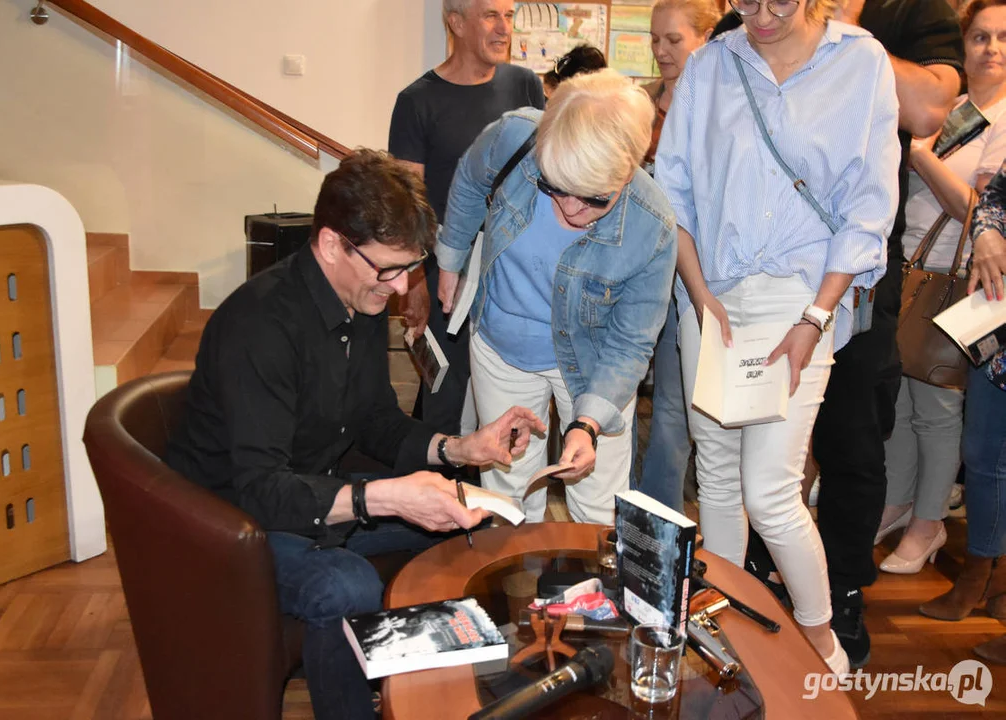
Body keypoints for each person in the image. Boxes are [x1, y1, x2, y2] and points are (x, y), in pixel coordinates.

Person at [164, 150, 546, 720]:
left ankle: (426, 693)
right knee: (346, 586)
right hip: (231, 523)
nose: (398, 289)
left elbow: (374, 420)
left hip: (315, 489)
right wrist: (387, 496)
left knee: (470, 519)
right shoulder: (260, 328)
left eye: (410, 268)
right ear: (331, 245)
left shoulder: (357, 300)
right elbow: (261, 490)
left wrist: (459, 450)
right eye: (388, 269)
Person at [715, 0, 964, 669]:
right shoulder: (745, 26)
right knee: (750, 447)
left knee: (851, 444)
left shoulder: (908, 15)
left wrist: (831, 43)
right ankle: (763, 581)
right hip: (751, 282)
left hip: (851, 279)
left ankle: (840, 597)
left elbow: (929, 111)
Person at [655, 0, 901, 675]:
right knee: (719, 482)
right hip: (709, 300)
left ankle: (821, 640)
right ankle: (729, 635)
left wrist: (815, 318)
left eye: (780, 0)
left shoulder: (859, 61)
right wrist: (699, 297)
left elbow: (869, 204)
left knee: (769, 488)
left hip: (800, 302)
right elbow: (669, 189)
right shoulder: (710, 65)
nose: (759, 14)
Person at [437, 69, 677, 524]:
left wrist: (587, 425)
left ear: (629, 170)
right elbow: (470, 180)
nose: (569, 210)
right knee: (508, 489)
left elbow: (631, 343)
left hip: (593, 363)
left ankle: (589, 597)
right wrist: (451, 256)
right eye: (554, 188)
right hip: (501, 347)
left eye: (593, 200)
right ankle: (511, 592)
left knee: (596, 501)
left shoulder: (652, 225)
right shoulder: (514, 138)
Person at [879, 0, 1006, 575]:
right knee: (902, 402)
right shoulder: (950, 105)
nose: (991, 49)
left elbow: (980, 211)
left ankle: (931, 522)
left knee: (935, 403)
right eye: (979, 36)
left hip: (960, 282)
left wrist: (920, 158)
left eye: (1003, 38)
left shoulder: (1004, 118)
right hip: (910, 265)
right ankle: (899, 503)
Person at [389, 0, 545, 439]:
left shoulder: (525, 85)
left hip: (516, 273)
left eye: (509, 16)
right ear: (455, 22)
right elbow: (408, 204)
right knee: (444, 395)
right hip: (447, 277)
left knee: (510, 398)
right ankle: (435, 494)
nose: (504, 29)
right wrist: (415, 282)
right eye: (491, 16)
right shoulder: (416, 101)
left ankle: (496, 498)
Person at [919, 160, 1006, 664]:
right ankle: (982, 570)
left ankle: (988, 577)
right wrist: (989, 236)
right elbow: (994, 198)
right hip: (998, 324)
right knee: (981, 452)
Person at [634, 0, 719, 513]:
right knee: (620, 400)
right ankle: (622, 516)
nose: (662, 51)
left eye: (674, 40)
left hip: (692, 278)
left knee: (672, 406)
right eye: (655, 40)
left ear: (705, 39)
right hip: (637, 276)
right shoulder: (639, 105)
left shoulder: (718, 108)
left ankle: (657, 522)